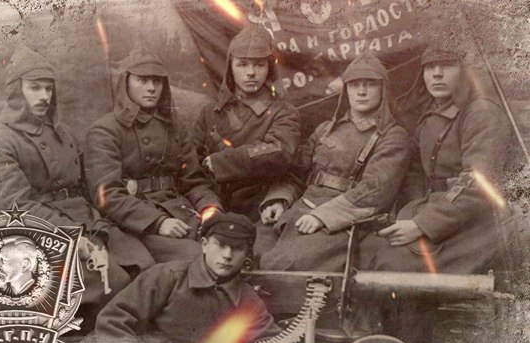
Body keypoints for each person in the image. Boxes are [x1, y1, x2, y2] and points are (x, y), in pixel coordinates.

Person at [0, 45, 151, 332]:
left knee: (143, 265)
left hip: (85, 219)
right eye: (34, 88)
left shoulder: (62, 132)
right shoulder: (0, 141)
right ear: (16, 91)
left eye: (48, 88)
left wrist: (106, 209)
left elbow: (82, 185)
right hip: (41, 231)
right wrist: (73, 238)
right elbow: (18, 207)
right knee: (113, 281)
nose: (44, 96)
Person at [362, 45, 512, 274]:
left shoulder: (482, 114)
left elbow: (479, 186)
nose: (437, 74)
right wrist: (413, 211)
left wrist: (422, 224)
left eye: (447, 65)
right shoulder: (431, 116)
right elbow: (414, 171)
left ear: (464, 71)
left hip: (476, 224)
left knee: (389, 264)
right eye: (430, 67)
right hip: (434, 211)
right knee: (367, 249)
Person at [258, 53, 411, 272]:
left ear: (383, 89)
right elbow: (297, 173)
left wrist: (323, 216)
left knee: (284, 264)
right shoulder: (325, 129)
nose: (361, 91)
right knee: (249, 249)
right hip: (298, 211)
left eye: (370, 85)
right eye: (354, 84)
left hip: (343, 222)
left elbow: (375, 192)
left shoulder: (393, 136)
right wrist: (279, 200)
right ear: (346, 89)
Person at [85, 46, 222, 264]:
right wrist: (158, 222)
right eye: (142, 80)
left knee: (232, 244)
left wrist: (209, 208)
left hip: (181, 212)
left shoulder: (174, 127)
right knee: (199, 257)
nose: (151, 88)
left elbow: (193, 181)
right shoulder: (105, 130)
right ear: (126, 82)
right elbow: (107, 195)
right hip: (135, 224)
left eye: (157, 81)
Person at [94, 212, 278, 343]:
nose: (227, 255)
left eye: (237, 248)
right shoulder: (169, 277)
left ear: (247, 254)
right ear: (204, 245)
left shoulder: (248, 301)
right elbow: (113, 320)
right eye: (220, 245)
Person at [192, 24, 301, 223]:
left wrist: (222, 162)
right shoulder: (210, 113)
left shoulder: (284, 112)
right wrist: (209, 204)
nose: (251, 72)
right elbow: (192, 169)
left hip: (261, 209)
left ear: (269, 69)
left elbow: (280, 152)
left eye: (259, 65)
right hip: (215, 205)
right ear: (230, 68)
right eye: (242, 65)